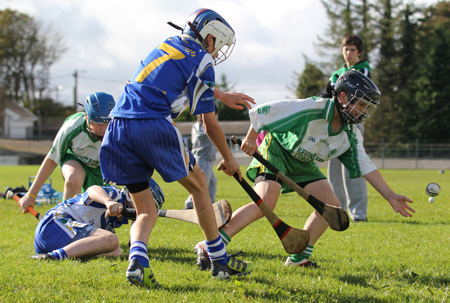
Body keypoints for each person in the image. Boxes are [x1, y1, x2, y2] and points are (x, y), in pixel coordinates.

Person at [194, 70, 415, 269]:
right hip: (278, 151)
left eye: (368, 107)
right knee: (266, 202)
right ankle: (211, 246)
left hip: (302, 163)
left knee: (332, 207)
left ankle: (299, 258)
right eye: (361, 104)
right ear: (342, 97)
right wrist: (252, 137)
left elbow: (367, 167)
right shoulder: (312, 108)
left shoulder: (350, 135)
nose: (364, 111)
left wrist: (391, 196)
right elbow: (264, 111)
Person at [99, 8, 255, 288]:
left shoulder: (166, 44)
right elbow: (209, 125)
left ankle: (138, 261)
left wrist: (220, 94)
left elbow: (169, 80)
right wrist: (230, 159)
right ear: (209, 38)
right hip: (152, 124)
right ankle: (219, 260)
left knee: (146, 209)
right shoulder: (204, 60)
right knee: (199, 187)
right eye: (218, 44)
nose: (217, 51)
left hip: (118, 126)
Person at [18, 92, 116, 214]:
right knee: (73, 178)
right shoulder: (72, 127)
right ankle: (67, 217)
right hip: (75, 160)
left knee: (96, 214)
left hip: (99, 170)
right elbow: (52, 159)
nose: (103, 129)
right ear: (87, 117)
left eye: (107, 123)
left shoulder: (117, 131)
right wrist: (31, 195)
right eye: (97, 124)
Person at [31, 180, 164, 261]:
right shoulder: (115, 194)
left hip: (59, 237)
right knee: (111, 239)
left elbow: (132, 244)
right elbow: (92, 190)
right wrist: (109, 202)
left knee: (116, 251)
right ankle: (55, 257)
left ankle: (58, 255)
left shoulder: (120, 217)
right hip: (55, 224)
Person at [320, 34, 371, 222]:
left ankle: (359, 213)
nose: (348, 53)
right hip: (335, 123)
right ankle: (337, 208)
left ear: (359, 52)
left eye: (352, 50)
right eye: (345, 49)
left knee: (353, 166)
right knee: (334, 168)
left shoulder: (363, 70)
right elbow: (326, 95)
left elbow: (358, 92)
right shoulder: (336, 74)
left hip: (353, 123)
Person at [184, 110, 218, 210]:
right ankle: (190, 204)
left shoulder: (198, 125)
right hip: (203, 158)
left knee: (212, 182)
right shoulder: (203, 127)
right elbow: (207, 135)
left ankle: (211, 203)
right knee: (201, 184)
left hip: (206, 158)